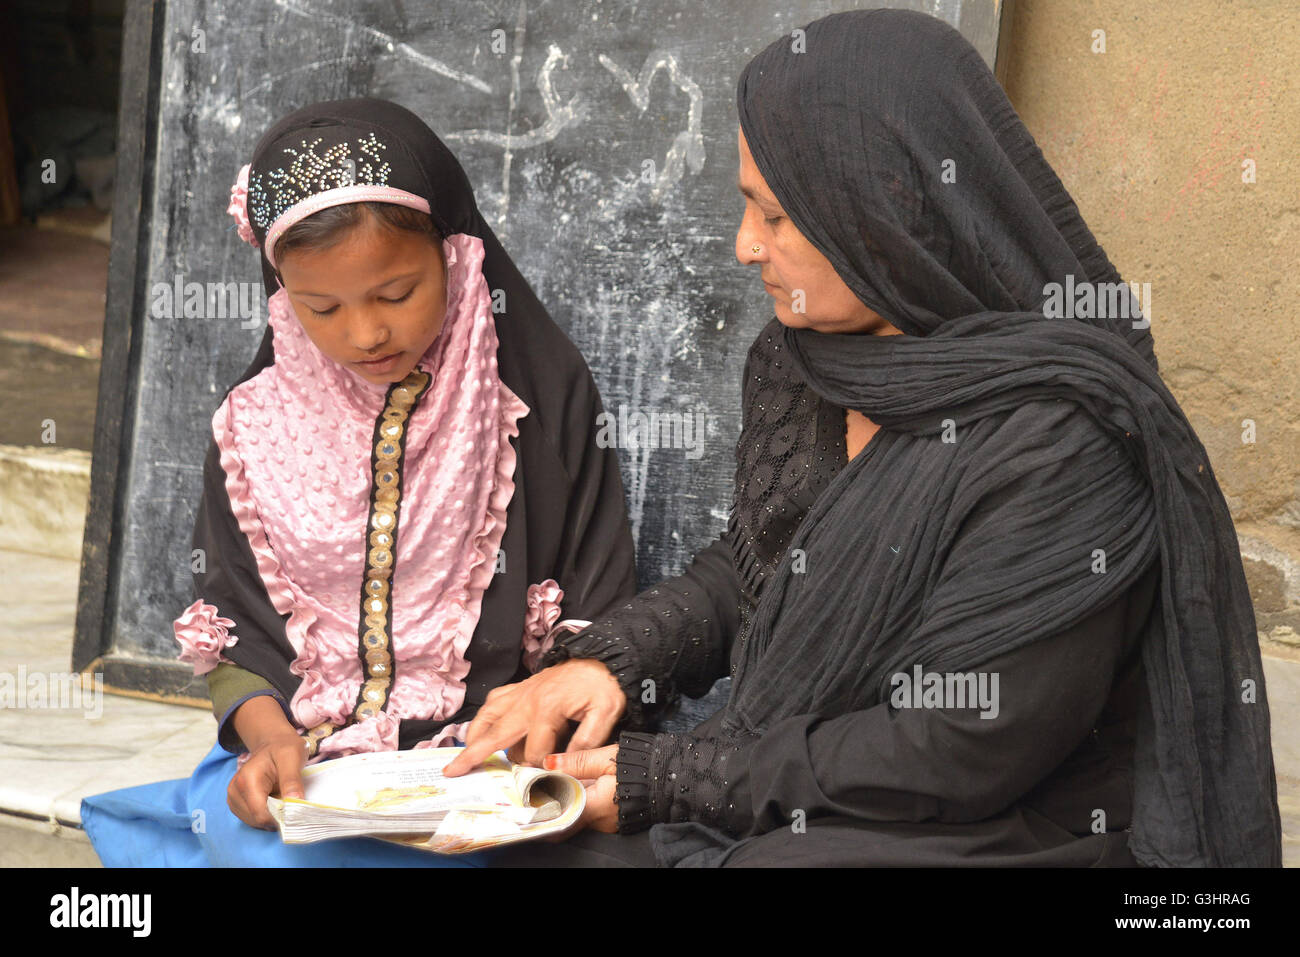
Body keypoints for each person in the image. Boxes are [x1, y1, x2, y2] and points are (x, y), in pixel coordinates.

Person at [445, 8, 1282, 867]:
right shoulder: (804, 360)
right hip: (811, 785)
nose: (743, 248)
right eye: (747, 207)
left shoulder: (1062, 441)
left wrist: (676, 776)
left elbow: (960, 747)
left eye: (776, 217)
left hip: (997, 824)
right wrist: (615, 663)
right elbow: (766, 560)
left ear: (887, 209)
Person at [80, 97, 637, 866]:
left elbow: (599, 600)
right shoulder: (257, 426)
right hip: (306, 764)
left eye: (396, 293)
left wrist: (545, 737)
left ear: (452, 251)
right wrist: (268, 737)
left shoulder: (536, 404)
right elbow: (237, 618)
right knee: (271, 846)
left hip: (486, 761)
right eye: (322, 308)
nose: (364, 333)